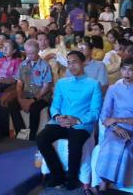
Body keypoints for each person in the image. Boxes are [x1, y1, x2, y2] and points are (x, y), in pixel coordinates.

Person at [36, 50, 102, 190]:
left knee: (74, 144)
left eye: (75, 62)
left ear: (83, 63)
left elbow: (95, 112)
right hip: (60, 121)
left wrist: (77, 120)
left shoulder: (94, 84)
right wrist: (57, 117)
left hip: (81, 124)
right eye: (69, 63)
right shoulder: (62, 83)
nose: (71, 66)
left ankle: (72, 179)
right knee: (41, 138)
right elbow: (55, 106)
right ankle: (57, 175)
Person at [95, 57, 133, 193]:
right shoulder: (113, 89)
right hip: (114, 128)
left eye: (131, 70)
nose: (127, 72)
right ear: (120, 71)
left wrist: (117, 119)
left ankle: (116, 183)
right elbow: (104, 114)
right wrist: (115, 127)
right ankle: (103, 183)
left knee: (126, 149)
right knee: (111, 143)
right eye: (124, 69)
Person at [1, 39, 53, 141]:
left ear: (37, 51)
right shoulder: (23, 64)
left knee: (34, 108)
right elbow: (19, 84)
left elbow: (46, 87)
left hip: (42, 96)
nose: (30, 56)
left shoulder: (45, 65)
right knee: (12, 104)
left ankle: (31, 137)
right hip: (27, 94)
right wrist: (20, 99)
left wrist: (33, 100)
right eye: (28, 53)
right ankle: (21, 132)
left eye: (32, 53)